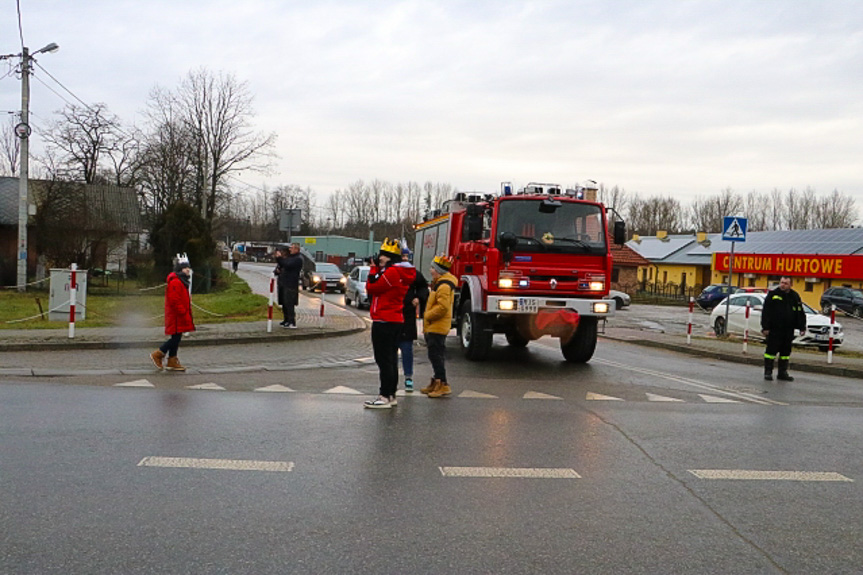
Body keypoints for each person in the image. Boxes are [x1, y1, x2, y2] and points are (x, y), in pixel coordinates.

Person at [364, 238, 416, 409]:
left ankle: (384, 395)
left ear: (391, 258)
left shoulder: (393, 273)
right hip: (394, 319)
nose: (380, 258)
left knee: (384, 360)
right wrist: (378, 269)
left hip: (384, 320)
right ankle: (391, 394)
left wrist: (373, 270)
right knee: (391, 359)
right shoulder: (399, 272)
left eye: (383, 256)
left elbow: (372, 288)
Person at [150, 255, 196, 372]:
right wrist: (183, 312)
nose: (187, 270)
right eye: (185, 268)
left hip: (180, 315)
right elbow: (175, 300)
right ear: (180, 269)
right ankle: (159, 353)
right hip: (176, 315)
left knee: (177, 336)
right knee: (175, 338)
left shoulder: (182, 281)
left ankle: (172, 360)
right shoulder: (176, 282)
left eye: (188, 268)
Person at [421, 254, 457, 398]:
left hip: (437, 326)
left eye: (432, 268)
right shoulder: (440, 283)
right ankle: (437, 381)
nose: (430, 270)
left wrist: (428, 316)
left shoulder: (443, 286)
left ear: (438, 270)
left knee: (436, 355)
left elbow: (443, 307)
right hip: (436, 326)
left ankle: (442, 384)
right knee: (435, 355)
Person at [761, 276, 807, 381]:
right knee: (770, 352)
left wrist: (802, 327)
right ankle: (768, 372)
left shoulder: (794, 296)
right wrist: (765, 327)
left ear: (791, 284)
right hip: (775, 329)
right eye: (781, 282)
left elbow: (799, 312)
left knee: (785, 353)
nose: (782, 285)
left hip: (788, 330)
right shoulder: (773, 295)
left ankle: (782, 373)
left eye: (785, 283)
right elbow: (766, 312)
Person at [397, 253, 429, 392]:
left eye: (406, 257)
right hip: (392, 314)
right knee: (391, 350)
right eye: (401, 257)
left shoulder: (413, 273)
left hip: (408, 315)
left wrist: (418, 298)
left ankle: (408, 377)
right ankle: (390, 378)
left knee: (407, 349)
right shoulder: (391, 272)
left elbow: (423, 287)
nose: (404, 260)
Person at [274, 243, 303, 328]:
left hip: (291, 284)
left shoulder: (298, 259)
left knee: (289, 302)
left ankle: (292, 321)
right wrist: (277, 270)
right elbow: (281, 265)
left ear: (296, 249)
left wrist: (279, 258)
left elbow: (287, 265)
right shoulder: (289, 257)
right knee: (284, 302)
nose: (290, 249)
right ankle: (286, 319)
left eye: (292, 248)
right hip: (283, 282)